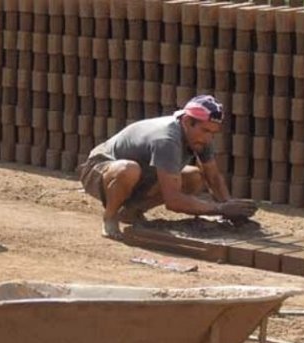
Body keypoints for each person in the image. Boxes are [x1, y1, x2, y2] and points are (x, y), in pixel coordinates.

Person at [78, 94, 257, 240]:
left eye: (213, 132)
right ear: (187, 121)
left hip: (143, 175)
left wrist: (231, 209)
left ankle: (131, 212)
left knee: (194, 177)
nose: (209, 138)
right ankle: (110, 216)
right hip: (100, 170)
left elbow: (213, 177)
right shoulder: (166, 139)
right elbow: (173, 201)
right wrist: (219, 209)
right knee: (128, 169)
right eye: (205, 131)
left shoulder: (201, 137)